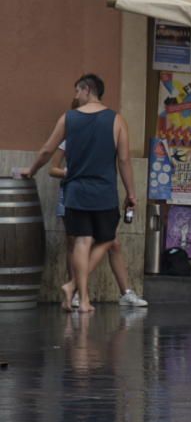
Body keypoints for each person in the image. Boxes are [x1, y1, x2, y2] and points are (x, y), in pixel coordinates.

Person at [25, 74, 137, 313]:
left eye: (77, 91)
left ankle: (82, 297)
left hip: (76, 191)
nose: (75, 96)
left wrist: (31, 170)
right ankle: (74, 287)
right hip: (104, 192)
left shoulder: (69, 118)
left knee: (82, 241)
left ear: (87, 90)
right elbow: (125, 160)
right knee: (106, 239)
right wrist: (131, 193)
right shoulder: (117, 120)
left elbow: (47, 150)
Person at [48, 140, 147, 308]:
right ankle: (77, 293)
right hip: (74, 195)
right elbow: (53, 168)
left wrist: (130, 193)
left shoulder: (106, 134)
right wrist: (71, 172)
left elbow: (122, 161)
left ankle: (124, 293)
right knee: (75, 243)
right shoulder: (71, 137)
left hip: (99, 196)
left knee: (112, 242)